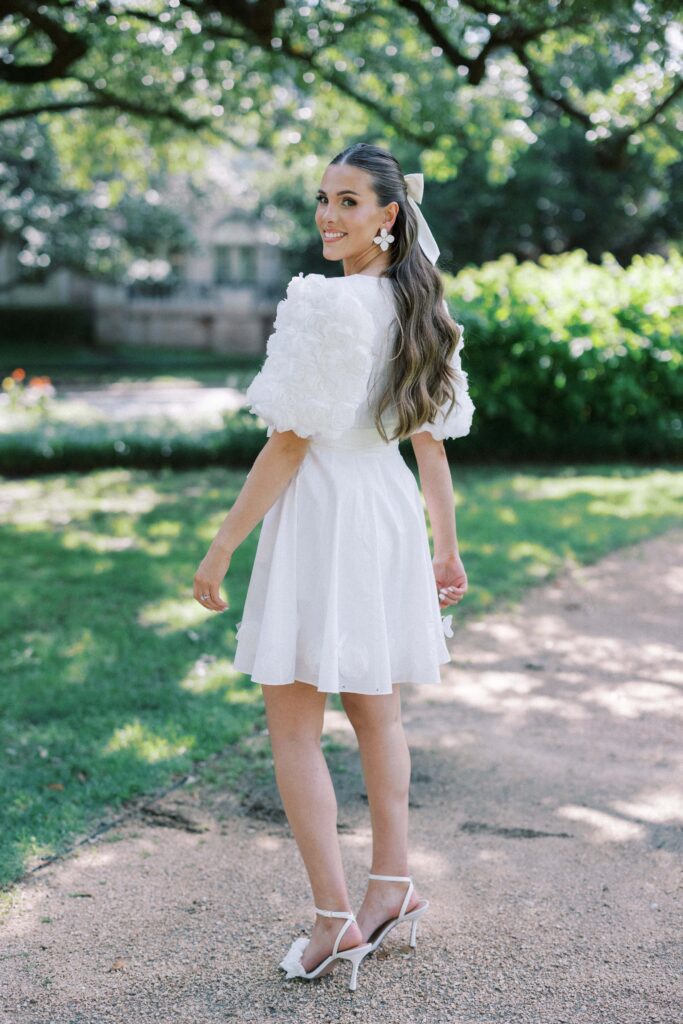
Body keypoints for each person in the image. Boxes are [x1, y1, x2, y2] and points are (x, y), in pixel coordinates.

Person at [193, 142, 475, 991]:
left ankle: (333, 920)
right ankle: (391, 888)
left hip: (322, 512)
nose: (327, 215)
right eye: (322, 198)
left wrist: (223, 544)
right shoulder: (415, 304)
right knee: (377, 714)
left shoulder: (327, 303)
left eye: (348, 201)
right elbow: (428, 444)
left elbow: (287, 442)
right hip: (383, 513)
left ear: (388, 216)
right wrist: (444, 543)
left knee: (294, 725)